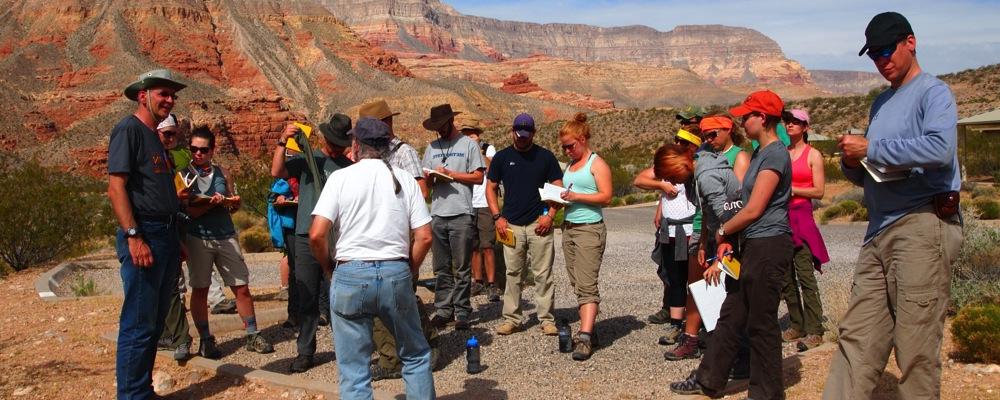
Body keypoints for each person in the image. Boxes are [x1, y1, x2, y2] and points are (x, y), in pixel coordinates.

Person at [824, 12, 963, 399]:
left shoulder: (933, 92)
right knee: (857, 337)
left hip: (921, 224)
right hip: (879, 231)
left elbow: (940, 148)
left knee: (915, 344)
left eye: (887, 50)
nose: (882, 60)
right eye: (874, 54)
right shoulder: (881, 103)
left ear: (910, 43)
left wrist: (871, 148)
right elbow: (876, 168)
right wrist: (853, 164)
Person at [670, 90, 794, 399]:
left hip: (768, 244)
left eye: (747, 115)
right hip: (750, 243)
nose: (742, 120)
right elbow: (741, 203)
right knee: (730, 315)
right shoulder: (759, 154)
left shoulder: (775, 154)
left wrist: (721, 233)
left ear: (762, 118)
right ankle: (709, 379)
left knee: (761, 324)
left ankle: (765, 392)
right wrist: (728, 240)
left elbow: (754, 208)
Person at [310, 117, 435, 399]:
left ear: (356, 144)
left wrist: (329, 267)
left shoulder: (339, 178)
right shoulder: (404, 179)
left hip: (350, 273)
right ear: (388, 146)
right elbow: (425, 236)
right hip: (395, 272)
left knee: (354, 371)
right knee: (415, 355)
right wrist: (409, 269)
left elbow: (317, 235)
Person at [107, 69, 186, 399]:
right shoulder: (130, 129)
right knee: (139, 322)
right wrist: (134, 235)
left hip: (166, 234)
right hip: (146, 233)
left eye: (172, 95)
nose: (168, 100)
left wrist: (177, 238)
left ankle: (142, 390)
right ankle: (131, 395)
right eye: (162, 94)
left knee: (154, 322)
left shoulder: (155, 136)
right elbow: (116, 187)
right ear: (143, 96)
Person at [359, 100, 441, 381]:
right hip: (375, 232)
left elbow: (420, 191)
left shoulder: (403, 152)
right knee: (381, 299)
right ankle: (393, 357)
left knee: (400, 294)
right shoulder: (365, 155)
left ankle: (426, 343)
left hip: (401, 231)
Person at [663, 115, 751, 361]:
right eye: (706, 136)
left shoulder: (737, 157)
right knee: (698, 286)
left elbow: (734, 206)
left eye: (713, 134)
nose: (709, 140)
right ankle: (692, 339)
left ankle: (727, 344)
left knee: (726, 287)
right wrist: (702, 240)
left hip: (726, 231)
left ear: (728, 130)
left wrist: (722, 240)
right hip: (704, 226)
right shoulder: (703, 161)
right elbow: (705, 206)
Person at [271, 114, 355, 372]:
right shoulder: (309, 158)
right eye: (334, 141)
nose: (337, 147)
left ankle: (348, 350)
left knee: (340, 296)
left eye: (341, 143)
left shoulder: (348, 167)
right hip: (307, 236)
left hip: (336, 238)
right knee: (307, 295)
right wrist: (282, 142)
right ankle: (305, 352)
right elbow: (277, 172)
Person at [183, 127, 274, 359]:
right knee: (201, 288)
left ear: (212, 150)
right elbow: (188, 211)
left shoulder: (223, 172)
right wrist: (210, 204)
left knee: (241, 286)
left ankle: (252, 333)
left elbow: (232, 204)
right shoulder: (183, 175)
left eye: (203, 149)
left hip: (225, 234)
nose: (198, 154)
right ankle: (205, 338)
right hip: (198, 236)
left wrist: (232, 203)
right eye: (194, 149)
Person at [486, 113, 564, 336]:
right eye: (519, 135)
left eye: (526, 136)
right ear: (512, 131)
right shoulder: (502, 158)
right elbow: (490, 188)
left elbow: (558, 187)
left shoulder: (545, 157)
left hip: (539, 224)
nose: (522, 139)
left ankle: (547, 319)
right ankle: (512, 318)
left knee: (543, 274)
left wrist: (550, 215)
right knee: (513, 273)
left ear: (533, 134)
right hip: (510, 225)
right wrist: (496, 217)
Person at [421, 104, 486, 330]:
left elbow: (478, 177)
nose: (439, 130)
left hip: (461, 212)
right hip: (437, 213)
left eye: (441, 126)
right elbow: (425, 183)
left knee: (461, 266)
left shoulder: (468, 145)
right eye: (435, 127)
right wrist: (432, 176)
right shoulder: (431, 147)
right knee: (441, 266)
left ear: (451, 121)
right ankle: (443, 310)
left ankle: (462, 312)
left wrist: (453, 175)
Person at [557, 113, 612, 360]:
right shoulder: (571, 165)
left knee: (587, 284)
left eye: (570, 146)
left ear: (582, 139)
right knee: (577, 281)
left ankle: (586, 336)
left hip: (589, 228)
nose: (567, 150)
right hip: (569, 227)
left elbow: (606, 196)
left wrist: (577, 197)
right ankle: (590, 328)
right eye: (564, 147)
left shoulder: (596, 164)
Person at [780, 109, 830, 352]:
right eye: (787, 121)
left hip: (802, 218)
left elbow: (819, 191)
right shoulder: (783, 153)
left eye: (796, 122)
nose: (790, 125)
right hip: (782, 218)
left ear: (805, 127)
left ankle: (815, 328)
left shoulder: (814, 155)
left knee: (805, 275)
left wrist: (793, 190)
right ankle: (796, 323)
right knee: (786, 277)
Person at [649, 129, 701, 346]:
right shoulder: (670, 167)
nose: (678, 143)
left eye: (683, 141)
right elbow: (642, 178)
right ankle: (676, 324)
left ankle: (698, 328)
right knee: (675, 279)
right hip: (670, 233)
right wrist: (661, 185)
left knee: (696, 281)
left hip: (691, 232)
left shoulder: (697, 169)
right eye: (676, 140)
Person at [462, 119, 501, 302]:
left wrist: (478, 150)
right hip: (468, 202)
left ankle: (492, 283)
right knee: (473, 246)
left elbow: (492, 169)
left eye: (472, 133)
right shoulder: (461, 151)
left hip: (485, 202)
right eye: (466, 133)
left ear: (477, 134)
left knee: (487, 245)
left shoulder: (488, 148)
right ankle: (477, 280)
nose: (469, 136)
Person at [266, 177, 299, 328]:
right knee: (295, 269)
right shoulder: (285, 180)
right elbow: (272, 198)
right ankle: (294, 314)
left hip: (314, 223)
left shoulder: (311, 174)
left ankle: (322, 311)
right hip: (292, 226)